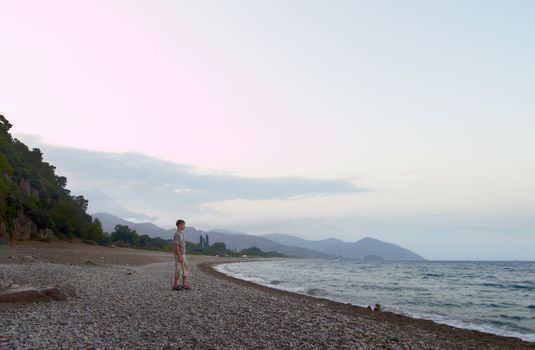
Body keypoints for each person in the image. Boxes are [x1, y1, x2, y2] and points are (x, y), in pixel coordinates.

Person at [172, 219, 190, 290]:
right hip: (179, 254)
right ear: (179, 225)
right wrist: (179, 256)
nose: (184, 226)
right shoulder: (177, 234)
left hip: (183, 254)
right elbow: (176, 246)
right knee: (178, 269)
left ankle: (183, 284)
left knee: (185, 268)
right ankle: (175, 285)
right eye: (183, 225)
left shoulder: (181, 233)